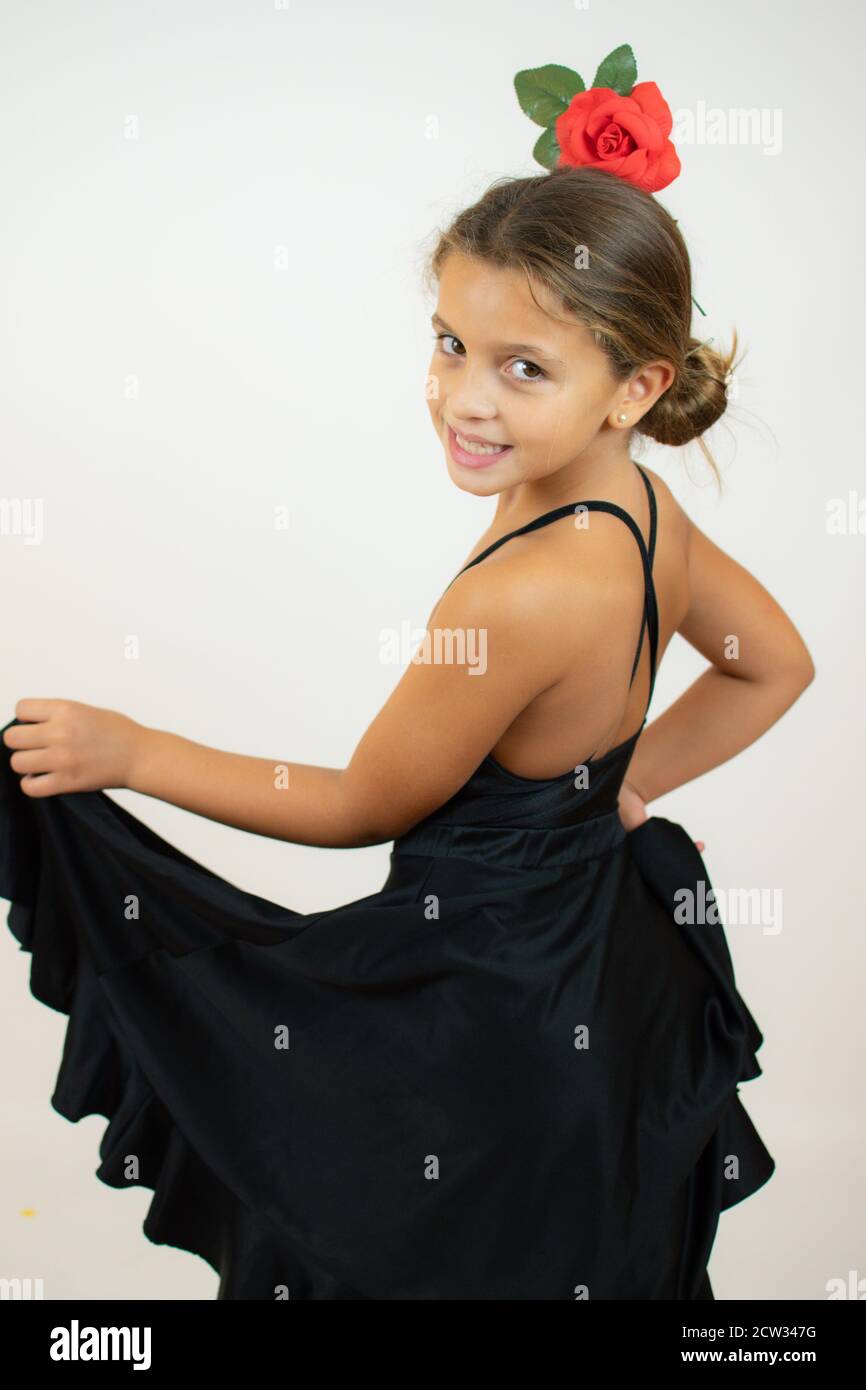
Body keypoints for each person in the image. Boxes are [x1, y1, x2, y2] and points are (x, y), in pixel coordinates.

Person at [0, 50, 814, 1300]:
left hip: (485, 1007)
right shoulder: (639, 507)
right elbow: (773, 667)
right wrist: (618, 786)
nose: (460, 399)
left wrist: (131, 751)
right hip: (600, 968)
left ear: (633, 386)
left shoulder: (518, 593)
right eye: (449, 342)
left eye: (521, 368)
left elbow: (360, 806)